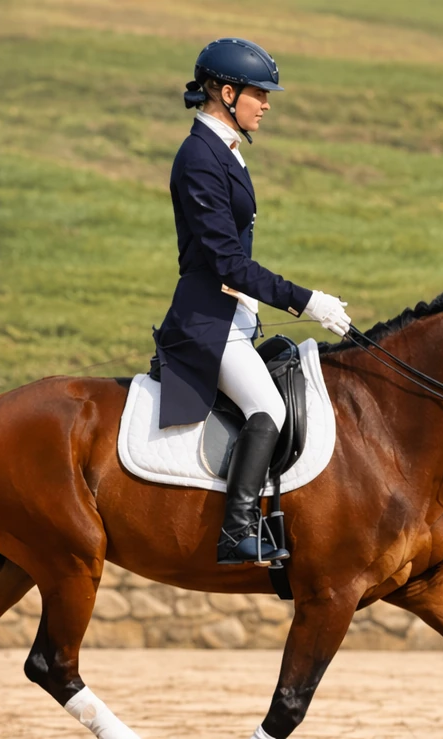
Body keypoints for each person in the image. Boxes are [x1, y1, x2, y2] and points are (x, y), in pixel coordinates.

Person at [157, 38, 351, 565]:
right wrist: (306, 301)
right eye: (259, 94)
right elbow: (227, 261)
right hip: (207, 319)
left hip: (235, 316)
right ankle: (236, 531)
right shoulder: (199, 157)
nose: (266, 105)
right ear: (226, 93)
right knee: (268, 407)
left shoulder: (224, 150)